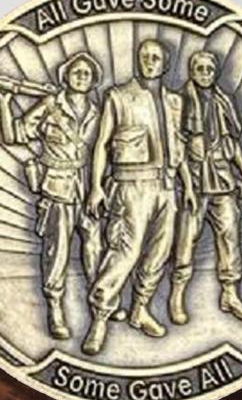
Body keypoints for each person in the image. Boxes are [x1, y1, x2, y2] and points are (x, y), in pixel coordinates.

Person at [81, 39, 197, 356]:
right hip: (131, 185)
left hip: (166, 187)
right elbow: (102, 143)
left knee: (159, 253)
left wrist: (187, 185)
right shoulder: (118, 96)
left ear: (165, 63)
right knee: (125, 252)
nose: (149, 61)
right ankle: (100, 318)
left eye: (155, 57)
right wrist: (96, 187)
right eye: (144, 56)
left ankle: (140, 309)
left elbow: (178, 147)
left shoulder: (174, 101)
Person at [0, 52, 104, 340]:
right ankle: (54, 308)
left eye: (87, 74)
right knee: (58, 252)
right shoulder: (49, 106)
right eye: (76, 72)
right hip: (57, 189)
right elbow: (14, 135)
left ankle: (100, 304)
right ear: (66, 76)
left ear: (93, 80)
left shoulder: (97, 111)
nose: (81, 77)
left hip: (87, 188)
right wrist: (4, 102)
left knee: (94, 249)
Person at [169, 50, 242, 325]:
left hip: (222, 182)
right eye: (200, 69)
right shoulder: (179, 102)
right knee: (186, 241)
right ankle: (176, 295)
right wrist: (187, 185)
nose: (205, 74)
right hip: (193, 185)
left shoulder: (223, 102)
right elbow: (177, 148)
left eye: (209, 69)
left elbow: (233, 146)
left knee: (229, 236)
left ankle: (230, 294)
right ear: (191, 71)